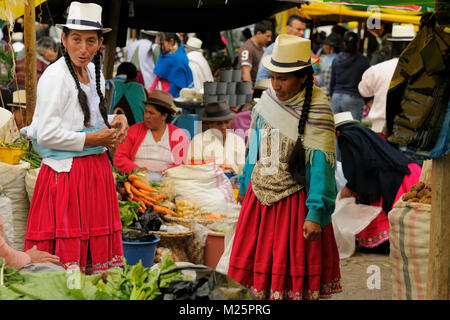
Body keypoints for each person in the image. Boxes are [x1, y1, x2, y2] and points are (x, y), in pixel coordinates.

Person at [228, 34, 342, 300]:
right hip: (258, 201)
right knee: (251, 281)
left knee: (288, 278)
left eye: (283, 78)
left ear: (303, 77)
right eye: (273, 76)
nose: (276, 85)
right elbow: (253, 150)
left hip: (293, 207)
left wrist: (316, 213)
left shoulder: (317, 109)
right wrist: (245, 187)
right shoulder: (266, 101)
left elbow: (321, 169)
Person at [21, 2, 129, 274]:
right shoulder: (55, 77)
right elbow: (45, 134)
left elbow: (93, 120)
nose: (83, 49)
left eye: (91, 41)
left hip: (95, 173)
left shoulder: (93, 72)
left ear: (100, 43)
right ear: (64, 39)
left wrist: (116, 121)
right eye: (76, 40)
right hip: (67, 177)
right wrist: (94, 140)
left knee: (93, 267)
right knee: (65, 265)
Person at [335, 111, 421, 252]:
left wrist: (350, 185)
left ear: (337, 132)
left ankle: (383, 244)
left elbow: (357, 164)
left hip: (395, 179)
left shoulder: (346, 137)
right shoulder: (363, 133)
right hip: (407, 171)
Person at [113, 90, 189, 181]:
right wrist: (136, 169)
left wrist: (165, 173)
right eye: (146, 111)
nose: (146, 116)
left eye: (151, 113)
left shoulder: (178, 135)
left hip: (168, 182)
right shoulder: (134, 130)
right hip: (137, 180)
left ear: (164, 116)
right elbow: (119, 158)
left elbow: (183, 165)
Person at [358, 25, 415, 136]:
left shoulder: (377, 70)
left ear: (392, 46)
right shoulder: (420, 71)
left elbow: (364, 91)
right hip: (407, 132)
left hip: (380, 130)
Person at [188, 101, 245, 176]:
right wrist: (215, 169)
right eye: (218, 124)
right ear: (209, 125)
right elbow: (192, 168)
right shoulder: (198, 141)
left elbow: (243, 169)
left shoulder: (238, 140)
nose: (223, 127)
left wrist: (233, 168)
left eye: (226, 122)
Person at [330, 31, 370, 121]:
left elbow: (332, 81)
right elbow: (367, 82)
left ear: (344, 43)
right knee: (353, 131)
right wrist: (368, 101)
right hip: (354, 98)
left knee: (335, 129)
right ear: (358, 43)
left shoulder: (336, 59)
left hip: (336, 96)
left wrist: (331, 96)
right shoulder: (363, 60)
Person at [255, 15, 307, 82]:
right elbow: (261, 78)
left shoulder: (305, 49)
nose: (302, 33)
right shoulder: (273, 49)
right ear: (287, 29)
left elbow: (317, 72)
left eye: (303, 30)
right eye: (299, 29)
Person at [150, 32, 194, 99]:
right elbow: (158, 75)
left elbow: (183, 75)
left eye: (161, 44)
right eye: (158, 44)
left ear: (171, 41)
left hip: (175, 92)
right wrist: (151, 89)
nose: (159, 47)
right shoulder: (163, 54)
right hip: (163, 93)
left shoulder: (179, 55)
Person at [106, 61, 147, 126]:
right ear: (135, 77)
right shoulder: (140, 89)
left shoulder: (109, 85)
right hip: (137, 130)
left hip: (111, 128)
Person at [237, 20, 273, 86]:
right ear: (258, 33)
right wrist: (251, 90)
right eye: (267, 36)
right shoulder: (247, 48)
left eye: (270, 36)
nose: (269, 39)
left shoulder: (263, 47)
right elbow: (246, 71)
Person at [316, 32, 341, 97]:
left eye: (325, 44)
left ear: (331, 46)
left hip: (330, 94)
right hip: (318, 92)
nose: (323, 47)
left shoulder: (338, 59)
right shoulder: (321, 57)